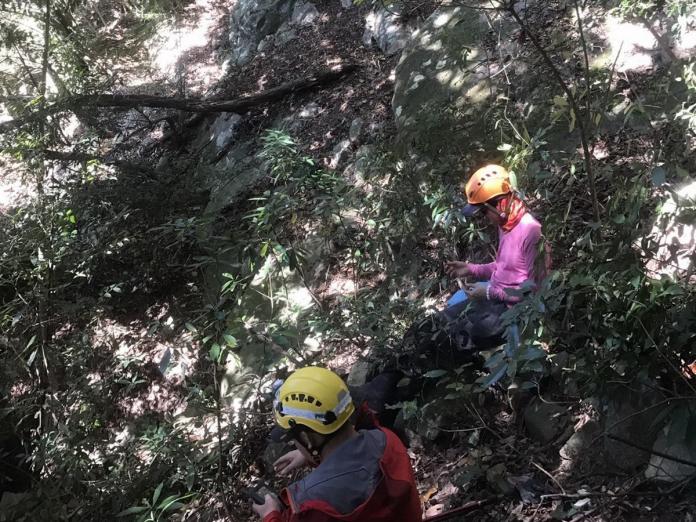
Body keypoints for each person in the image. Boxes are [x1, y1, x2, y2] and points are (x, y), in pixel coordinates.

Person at [251, 366, 422, 522]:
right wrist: (311, 455)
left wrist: (270, 516)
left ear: (307, 438)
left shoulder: (309, 504)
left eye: (294, 439)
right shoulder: (387, 440)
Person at [441, 164, 546, 350]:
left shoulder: (531, 231)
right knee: (442, 319)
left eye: (483, 212)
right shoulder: (505, 224)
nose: (483, 218)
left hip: (513, 312)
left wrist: (490, 292)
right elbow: (504, 266)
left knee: (453, 336)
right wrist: (471, 268)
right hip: (495, 297)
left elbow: (535, 292)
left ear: (500, 204)